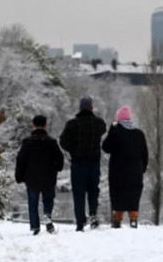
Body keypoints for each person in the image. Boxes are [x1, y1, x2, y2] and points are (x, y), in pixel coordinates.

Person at [59, 96, 107, 231]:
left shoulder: (72, 124)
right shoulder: (99, 123)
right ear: (92, 108)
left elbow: (62, 141)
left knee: (78, 193)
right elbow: (104, 129)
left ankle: (80, 222)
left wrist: (73, 151)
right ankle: (93, 216)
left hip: (78, 164)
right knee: (93, 191)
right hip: (93, 164)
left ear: (79, 108)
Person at [15, 115, 64, 235]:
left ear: (33, 125)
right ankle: (47, 215)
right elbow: (59, 158)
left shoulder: (27, 142)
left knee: (33, 203)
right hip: (48, 177)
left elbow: (21, 160)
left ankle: (35, 226)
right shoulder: (51, 142)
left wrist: (19, 176)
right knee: (48, 199)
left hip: (31, 178)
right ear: (45, 125)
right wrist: (58, 168)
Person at [102, 106, 148, 229]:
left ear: (119, 120)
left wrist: (111, 130)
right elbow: (145, 154)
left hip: (118, 172)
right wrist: (142, 169)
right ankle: (133, 218)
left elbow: (105, 147)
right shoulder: (139, 134)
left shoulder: (116, 133)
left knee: (118, 196)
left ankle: (117, 220)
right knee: (133, 196)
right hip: (135, 172)